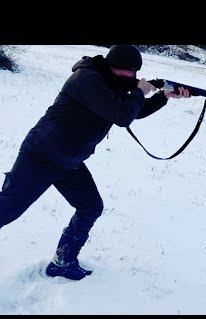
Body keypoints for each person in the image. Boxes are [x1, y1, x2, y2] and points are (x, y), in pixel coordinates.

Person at [0, 45, 191, 281]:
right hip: (42, 155)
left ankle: (63, 261)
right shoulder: (87, 79)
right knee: (6, 209)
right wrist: (140, 91)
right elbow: (122, 116)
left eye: (133, 73)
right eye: (124, 71)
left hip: (70, 161)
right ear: (110, 66)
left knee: (91, 207)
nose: (129, 77)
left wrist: (163, 96)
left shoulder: (111, 82)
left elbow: (133, 112)